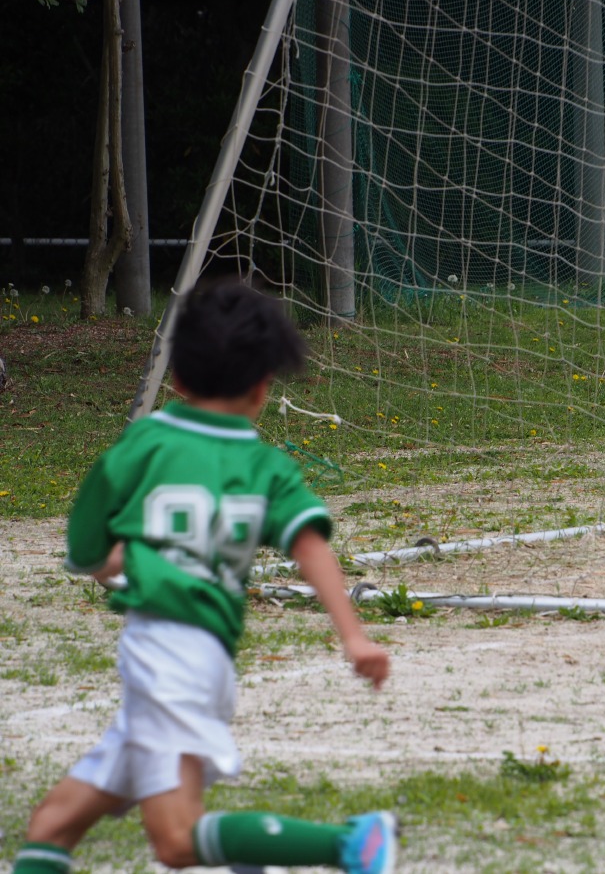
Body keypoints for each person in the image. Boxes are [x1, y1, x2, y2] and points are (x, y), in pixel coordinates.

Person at [12, 281, 396, 874]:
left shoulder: (144, 442)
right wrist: (354, 637)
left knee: (175, 840)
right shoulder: (266, 465)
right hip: (206, 659)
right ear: (263, 387)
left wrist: (127, 558)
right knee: (52, 825)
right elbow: (309, 545)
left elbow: (89, 552)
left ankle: (349, 845)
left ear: (177, 380)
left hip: (165, 656)